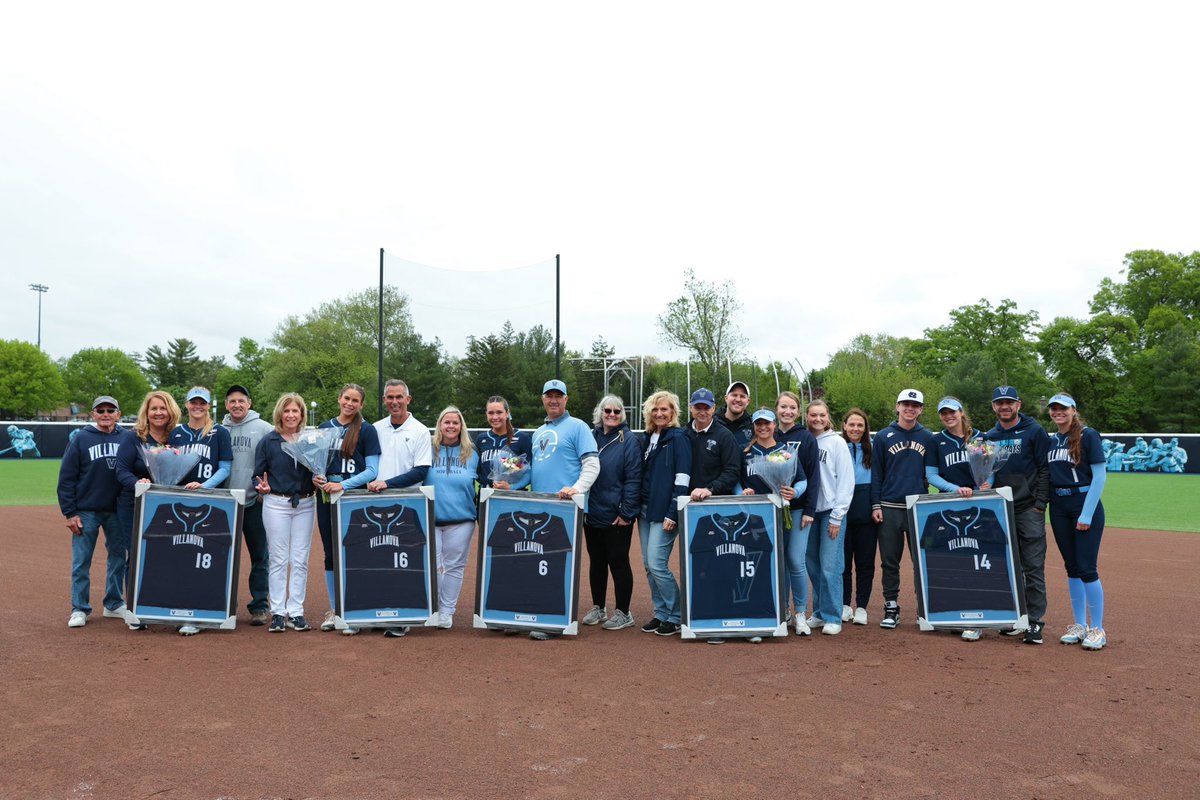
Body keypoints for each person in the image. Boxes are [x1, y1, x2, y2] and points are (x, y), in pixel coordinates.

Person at [529, 379, 599, 640]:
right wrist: (510, 482)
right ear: (543, 399)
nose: (554, 400)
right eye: (550, 396)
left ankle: (556, 620)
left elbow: (592, 464)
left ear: (566, 399)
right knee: (540, 563)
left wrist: (577, 489)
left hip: (567, 508)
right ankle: (541, 614)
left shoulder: (578, 427)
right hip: (540, 509)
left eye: (559, 396)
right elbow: (536, 471)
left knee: (560, 565)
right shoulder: (538, 432)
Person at [984, 385, 1050, 645]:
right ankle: (1016, 618)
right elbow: (988, 471)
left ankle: (1035, 622)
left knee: (1033, 567)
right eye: (999, 403)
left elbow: (1045, 469)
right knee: (1009, 567)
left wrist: (1040, 504)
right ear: (994, 407)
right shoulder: (990, 436)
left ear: (1019, 405)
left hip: (1028, 509)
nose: (1004, 406)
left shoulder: (1034, 431)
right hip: (1002, 508)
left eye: (1009, 402)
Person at [58, 396, 130, 628]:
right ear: (93, 414)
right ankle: (79, 608)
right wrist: (70, 513)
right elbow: (67, 477)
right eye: (101, 410)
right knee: (81, 561)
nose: (106, 413)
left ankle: (113, 603)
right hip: (86, 510)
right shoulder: (81, 438)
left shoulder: (127, 438)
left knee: (118, 558)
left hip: (117, 510)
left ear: (119, 414)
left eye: (111, 410)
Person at [314, 383, 381, 633]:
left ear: (361, 404)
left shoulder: (366, 430)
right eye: (346, 398)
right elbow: (316, 464)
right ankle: (335, 609)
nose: (350, 403)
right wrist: (318, 479)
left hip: (354, 500)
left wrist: (342, 485)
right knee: (330, 553)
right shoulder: (324, 427)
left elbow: (372, 471)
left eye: (355, 400)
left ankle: (355, 609)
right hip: (326, 500)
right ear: (339, 398)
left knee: (355, 553)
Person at [1045, 393, 1109, 650]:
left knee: (1086, 568)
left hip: (1083, 503)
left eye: (1063, 408)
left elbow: (1100, 476)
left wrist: (1086, 513)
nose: (1058, 412)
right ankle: (1080, 625)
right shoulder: (1053, 440)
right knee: (1071, 567)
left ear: (1074, 410)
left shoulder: (1088, 435)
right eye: (1054, 408)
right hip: (1058, 506)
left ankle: (1098, 629)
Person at [115, 390, 181, 632]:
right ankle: (135, 609)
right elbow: (121, 470)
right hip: (133, 504)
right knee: (136, 555)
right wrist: (137, 483)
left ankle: (161, 605)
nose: (158, 413)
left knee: (165, 556)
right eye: (153, 408)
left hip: (166, 506)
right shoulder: (133, 438)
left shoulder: (177, 437)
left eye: (163, 408)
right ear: (146, 412)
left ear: (170, 410)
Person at [870, 389, 937, 630]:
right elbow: (876, 473)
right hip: (889, 507)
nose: (910, 409)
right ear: (897, 406)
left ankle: (926, 609)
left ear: (920, 409)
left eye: (915, 405)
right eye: (905, 404)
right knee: (890, 561)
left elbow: (933, 473)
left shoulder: (928, 437)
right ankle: (891, 606)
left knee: (922, 561)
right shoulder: (883, 436)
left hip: (917, 507)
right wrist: (875, 504)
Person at [253, 393, 316, 633]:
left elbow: (318, 470)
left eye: (295, 411)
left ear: (302, 414)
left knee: (300, 560)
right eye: (286, 411)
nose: (290, 415)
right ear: (280, 413)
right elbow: (257, 474)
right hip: (276, 503)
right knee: (279, 559)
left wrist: (320, 478)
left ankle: (296, 612)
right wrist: (261, 486)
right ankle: (278, 612)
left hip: (306, 504)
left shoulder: (310, 440)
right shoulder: (268, 441)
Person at [925, 396, 985, 642]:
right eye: (943, 413)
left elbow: (989, 470)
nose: (948, 416)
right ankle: (953, 613)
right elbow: (930, 474)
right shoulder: (936, 440)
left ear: (961, 412)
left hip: (978, 505)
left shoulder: (980, 437)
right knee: (951, 560)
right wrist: (954, 488)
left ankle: (976, 618)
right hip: (948, 503)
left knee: (976, 560)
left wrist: (983, 485)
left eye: (952, 412)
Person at [581, 396, 642, 631]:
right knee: (596, 562)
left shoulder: (629, 440)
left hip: (617, 514)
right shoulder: (590, 436)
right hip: (592, 511)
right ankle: (599, 607)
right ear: (600, 412)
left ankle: (624, 612)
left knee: (618, 561)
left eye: (617, 411)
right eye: (608, 410)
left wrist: (626, 512)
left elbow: (634, 478)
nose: (612, 414)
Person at [637, 390, 692, 637]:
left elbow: (682, 478)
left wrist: (673, 511)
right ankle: (661, 614)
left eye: (665, 409)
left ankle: (678, 614)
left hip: (665, 511)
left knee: (658, 564)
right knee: (649, 565)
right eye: (655, 409)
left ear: (673, 412)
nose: (659, 413)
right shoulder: (648, 437)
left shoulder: (679, 438)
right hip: (645, 509)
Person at [423, 406, 481, 635]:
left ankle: (447, 611)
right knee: (433, 566)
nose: (450, 426)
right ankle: (433, 607)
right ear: (439, 425)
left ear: (461, 426)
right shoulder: (428, 449)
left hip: (462, 519)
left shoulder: (472, 452)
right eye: (446, 422)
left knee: (455, 567)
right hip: (431, 516)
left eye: (455, 423)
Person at [221, 385, 273, 625]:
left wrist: (266, 491)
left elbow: (275, 460)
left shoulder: (264, 429)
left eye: (241, 401)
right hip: (226, 504)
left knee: (260, 557)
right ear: (226, 405)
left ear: (249, 403)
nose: (237, 405)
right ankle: (222, 604)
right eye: (232, 401)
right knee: (222, 556)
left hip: (254, 502)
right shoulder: (219, 430)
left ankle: (259, 606)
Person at [774, 390, 823, 632]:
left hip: (798, 509)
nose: (787, 411)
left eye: (792, 407)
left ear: (798, 411)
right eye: (783, 407)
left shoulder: (806, 437)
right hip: (773, 511)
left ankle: (800, 612)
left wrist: (809, 510)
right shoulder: (767, 433)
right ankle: (782, 610)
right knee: (779, 561)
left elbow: (813, 477)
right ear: (777, 409)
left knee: (795, 559)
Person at [803, 400, 854, 635]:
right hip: (809, 511)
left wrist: (837, 515)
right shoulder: (804, 440)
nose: (818, 419)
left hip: (831, 512)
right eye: (813, 415)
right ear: (807, 416)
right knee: (812, 564)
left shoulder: (837, 442)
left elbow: (846, 480)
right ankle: (820, 612)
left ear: (828, 417)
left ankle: (833, 615)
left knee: (830, 566)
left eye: (822, 415)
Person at [840, 408, 875, 626]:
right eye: (852, 424)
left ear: (865, 428)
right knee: (842, 562)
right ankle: (844, 605)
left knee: (865, 563)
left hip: (866, 509)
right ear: (844, 426)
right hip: (842, 510)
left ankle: (861, 606)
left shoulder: (873, 449)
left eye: (860, 425)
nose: (855, 429)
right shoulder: (838, 447)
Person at [367, 379, 431, 494]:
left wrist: (387, 483)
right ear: (384, 400)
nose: (394, 402)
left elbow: (420, 471)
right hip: (378, 497)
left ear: (408, 399)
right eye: (390, 397)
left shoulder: (421, 431)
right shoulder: (375, 428)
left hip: (409, 500)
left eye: (399, 397)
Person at [170, 387, 233, 492]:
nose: (198, 406)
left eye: (202, 403)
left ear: (208, 406)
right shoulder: (176, 432)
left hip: (209, 494)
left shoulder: (220, 432)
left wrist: (203, 486)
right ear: (187, 404)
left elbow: (225, 469)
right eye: (193, 402)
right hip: (180, 492)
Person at [475, 395, 533, 490]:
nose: (495, 417)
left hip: (512, 498)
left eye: (499, 412)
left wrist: (511, 487)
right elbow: (477, 472)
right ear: (486, 414)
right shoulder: (481, 439)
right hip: (486, 496)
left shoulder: (522, 438)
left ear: (507, 413)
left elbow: (529, 473)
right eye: (491, 413)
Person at [714, 380, 753, 448]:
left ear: (748, 401)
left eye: (742, 396)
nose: (738, 399)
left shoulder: (754, 425)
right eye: (734, 395)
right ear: (726, 398)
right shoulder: (712, 423)